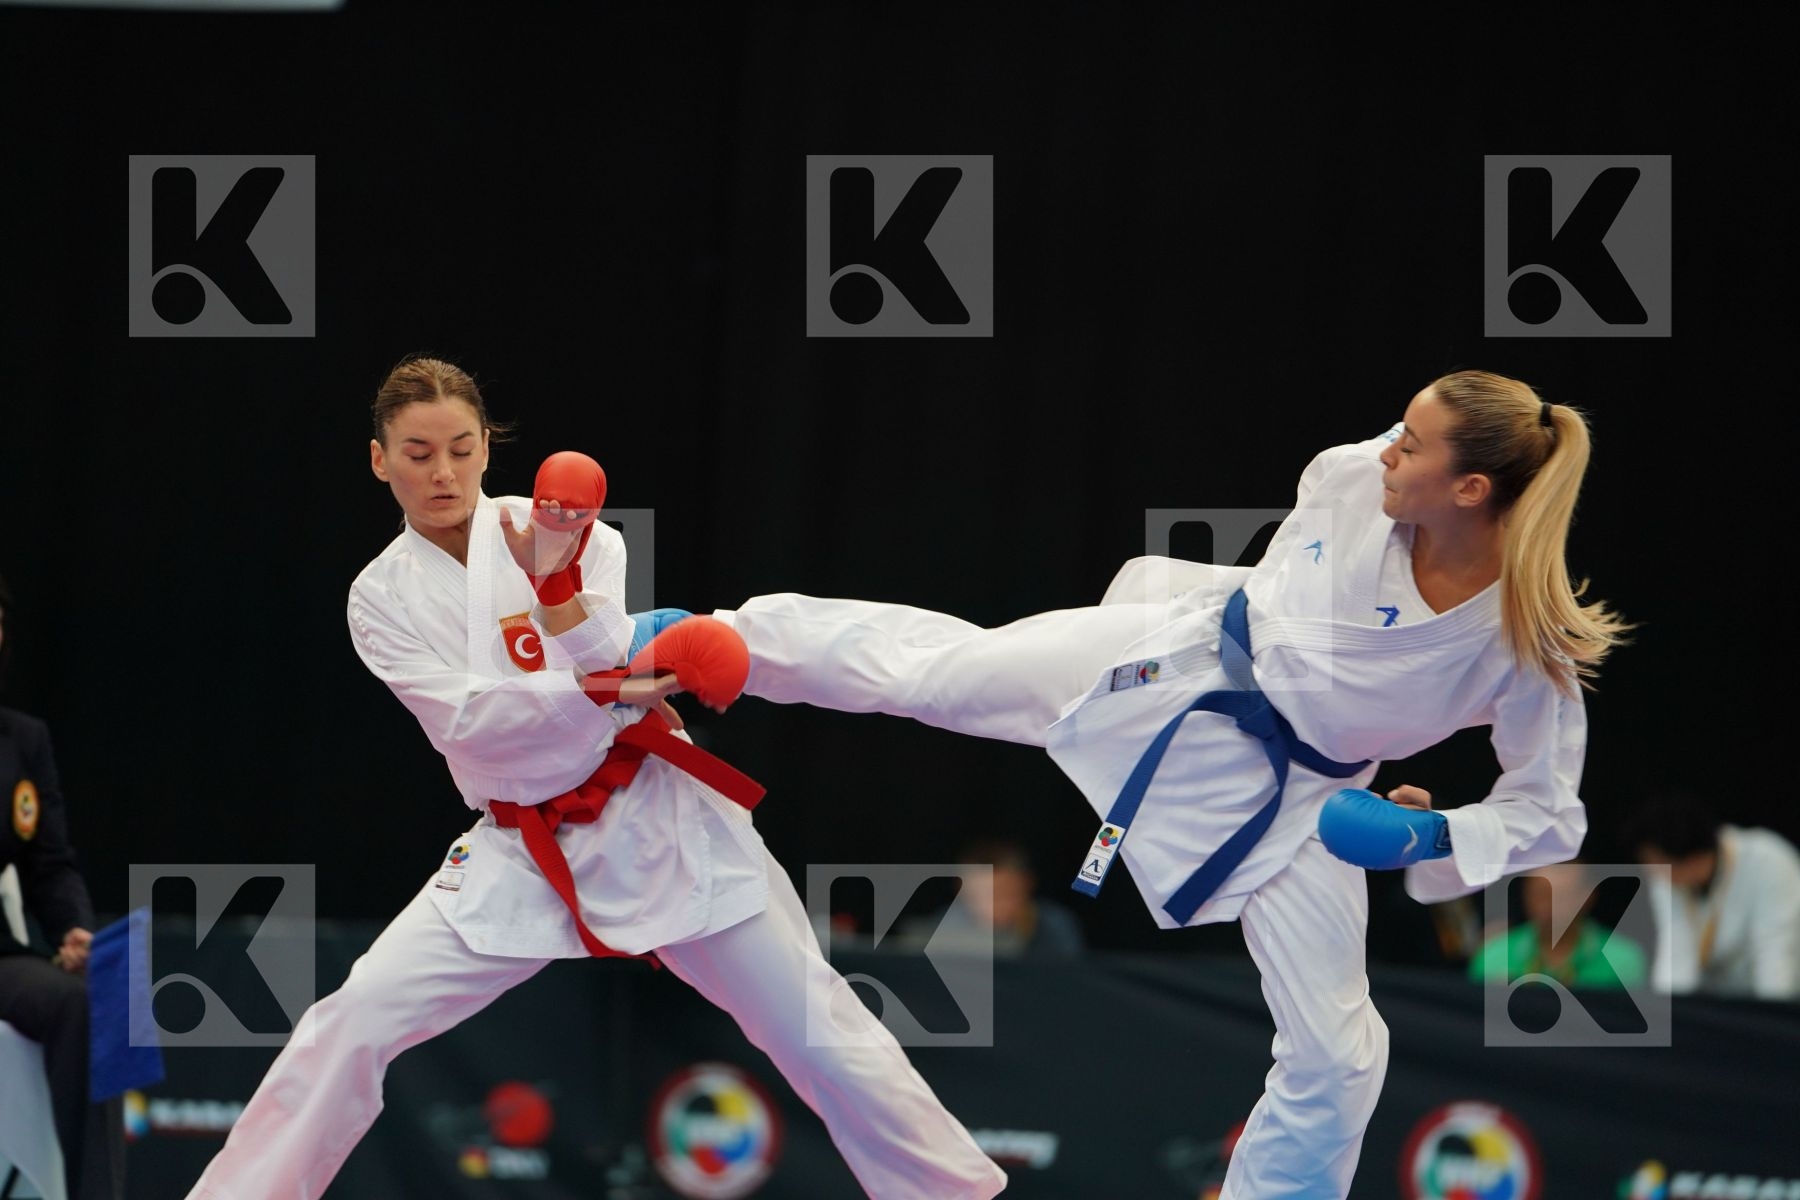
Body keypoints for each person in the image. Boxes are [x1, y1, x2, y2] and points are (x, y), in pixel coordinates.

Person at [711, 369, 1627, 1198]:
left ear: (1470, 489)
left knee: (1339, 1055)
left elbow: (1549, 812)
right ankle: (719, 640)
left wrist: (1434, 836)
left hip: (1305, 801)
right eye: (1398, 431)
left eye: (1412, 445)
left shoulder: (1523, 643)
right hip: (1185, 670)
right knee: (943, 677)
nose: (1390, 449)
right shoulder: (1357, 478)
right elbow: (1393, 463)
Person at [185, 357, 1005, 1200]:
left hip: (655, 816)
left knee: (815, 1025)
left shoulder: (577, 531)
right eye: (418, 453)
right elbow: (468, 722)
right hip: (522, 845)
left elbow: (613, 660)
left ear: (486, 447)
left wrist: (558, 586)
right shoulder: (379, 597)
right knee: (352, 1021)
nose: (443, 473)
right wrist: (599, 688)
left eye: (461, 449)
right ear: (379, 459)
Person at [0, 572, 126, 1200]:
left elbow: (49, 864)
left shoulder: (22, 740)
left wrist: (75, 930)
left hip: (2, 958)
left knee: (101, 997)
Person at [1623, 790, 1800, 1001]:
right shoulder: (1666, 879)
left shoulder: (1769, 862)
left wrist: (1772, 1015)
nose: (1652, 873)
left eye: (1656, 862)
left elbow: (1775, 954)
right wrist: (1668, 1014)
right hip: (1723, 1003)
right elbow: (1675, 954)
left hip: (1780, 1000)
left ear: (1694, 858)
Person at [1466, 859, 1646, 989]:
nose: (1550, 906)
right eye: (1541, 895)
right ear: (1526, 894)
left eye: (1562, 897)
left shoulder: (1622, 960)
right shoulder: (1494, 956)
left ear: (1587, 897)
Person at [899, 838, 1085, 960]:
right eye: (978, 897)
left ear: (1026, 884)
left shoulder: (1054, 927)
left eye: (1003, 895)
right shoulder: (944, 927)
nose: (991, 908)